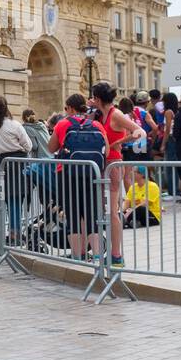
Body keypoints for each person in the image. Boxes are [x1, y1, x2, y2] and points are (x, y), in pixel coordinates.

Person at [48, 93, 107, 262]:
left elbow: (51, 148)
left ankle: (77, 255)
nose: (65, 111)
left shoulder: (62, 124)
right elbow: (107, 151)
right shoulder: (96, 124)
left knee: (73, 215)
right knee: (91, 215)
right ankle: (96, 256)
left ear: (71, 108)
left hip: (66, 174)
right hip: (91, 173)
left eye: (66, 108)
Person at [90, 82, 142, 268]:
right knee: (103, 210)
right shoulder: (99, 113)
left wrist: (116, 143)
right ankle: (107, 253)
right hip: (101, 165)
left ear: (98, 98)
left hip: (113, 164)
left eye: (94, 98)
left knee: (112, 211)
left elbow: (139, 132)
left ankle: (116, 255)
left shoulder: (116, 114)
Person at [0, 96, 33, 243]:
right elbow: (28, 145)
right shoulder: (14, 125)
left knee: (5, 202)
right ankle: (15, 232)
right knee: (16, 200)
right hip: (15, 166)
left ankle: (7, 231)